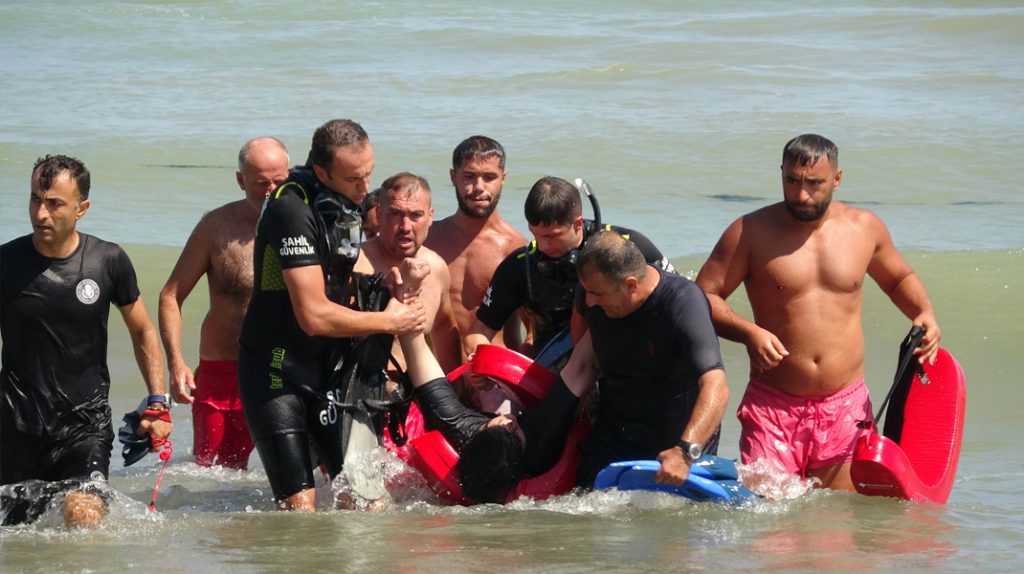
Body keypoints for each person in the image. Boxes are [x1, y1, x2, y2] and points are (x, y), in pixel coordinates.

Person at [694, 134, 941, 491]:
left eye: (814, 183)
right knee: (770, 534)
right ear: (781, 173)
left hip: (845, 407)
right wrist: (748, 332)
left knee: (837, 528)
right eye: (791, 181)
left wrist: (924, 312)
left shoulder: (864, 228)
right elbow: (703, 296)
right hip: (773, 409)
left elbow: (899, 278)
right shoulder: (749, 232)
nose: (801, 195)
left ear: (837, 179)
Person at [237, 119, 426, 511]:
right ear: (322, 172)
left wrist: (385, 283)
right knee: (300, 509)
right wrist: (392, 321)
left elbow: (338, 274)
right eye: (354, 178)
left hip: (331, 368)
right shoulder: (290, 208)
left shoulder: (341, 203)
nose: (364, 188)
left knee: (370, 503)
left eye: (369, 174)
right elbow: (314, 316)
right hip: (276, 369)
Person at [1, 155, 172, 527]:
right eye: (35, 200)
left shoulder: (108, 261)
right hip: (16, 425)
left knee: (84, 515)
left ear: (82, 208)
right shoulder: (6, 263)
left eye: (54, 204)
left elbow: (142, 330)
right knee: (17, 539)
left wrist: (158, 402)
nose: (41, 214)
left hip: (85, 426)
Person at [158, 137, 290, 470]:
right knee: (213, 471)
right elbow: (171, 295)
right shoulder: (216, 227)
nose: (271, 191)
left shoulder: (304, 226)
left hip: (280, 369)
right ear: (240, 180)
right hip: (222, 372)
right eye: (261, 183)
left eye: (280, 181)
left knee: (294, 471)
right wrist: (176, 363)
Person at [574, 231, 729, 488]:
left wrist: (684, 452)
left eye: (597, 294)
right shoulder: (594, 299)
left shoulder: (683, 302)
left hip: (676, 448)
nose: (589, 301)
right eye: (587, 291)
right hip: (614, 441)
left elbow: (717, 387)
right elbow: (579, 368)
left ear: (631, 285)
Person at [464, 176, 673, 359]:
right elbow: (480, 330)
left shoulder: (629, 245)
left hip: (624, 358)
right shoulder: (520, 265)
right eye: (535, 234)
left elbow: (677, 297)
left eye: (552, 236)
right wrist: (479, 357)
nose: (543, 245)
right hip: (555, 366)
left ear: (578, 223)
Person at [424, 136, 527, 358]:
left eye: (489, 177)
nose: (478, 187)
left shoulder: (515, 248)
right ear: (453, 177)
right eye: (469, 176)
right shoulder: (428, 240)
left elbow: (534, 331)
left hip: (494, 374)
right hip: (437, 374)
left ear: (503, 179)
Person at [353, 172, 460, 374]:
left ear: (430, 217)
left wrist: (458, 393)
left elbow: (444, 334)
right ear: (379, 213)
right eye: (395, 214)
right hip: (355, 392)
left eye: (416, 215)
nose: (405, 227)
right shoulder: (356, 263)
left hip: (413, 394)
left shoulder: (436, 267)